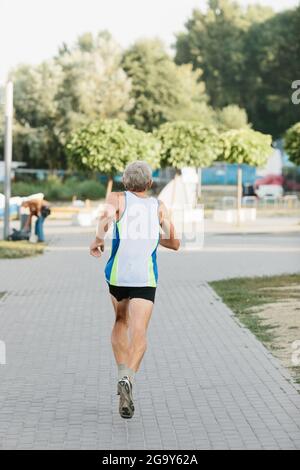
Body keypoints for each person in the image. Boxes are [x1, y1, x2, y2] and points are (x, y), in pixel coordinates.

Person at [90, 161, 180, 419]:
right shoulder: (158, 206)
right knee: (140, 331)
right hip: (145, 277)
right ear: (150, 184)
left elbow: (104, 220)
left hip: (118, 274)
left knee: (120, 321)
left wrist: (97, 241)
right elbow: (175, 242)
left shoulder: (116, 198)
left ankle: (121, 375)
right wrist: (151, 237)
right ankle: (129, 378)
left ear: (124, 182)